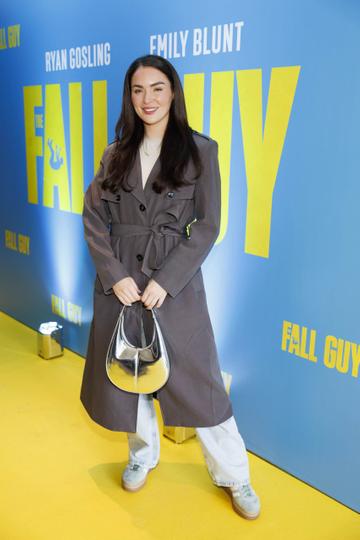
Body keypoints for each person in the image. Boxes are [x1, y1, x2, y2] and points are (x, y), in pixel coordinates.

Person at [80, 54, 260, 520]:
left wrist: (166, 279)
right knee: (128, 376)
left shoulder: (201, 150)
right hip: (120, 284)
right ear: (129, 96)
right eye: (138, 90)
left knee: (201, 385)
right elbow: (94, 219)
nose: (148, 99)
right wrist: (114, 275)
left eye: (157, 88)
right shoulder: (114, 155)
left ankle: (234, 475)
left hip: (173, 287)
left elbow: (208, 226)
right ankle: (142, 455)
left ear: (173, 92)